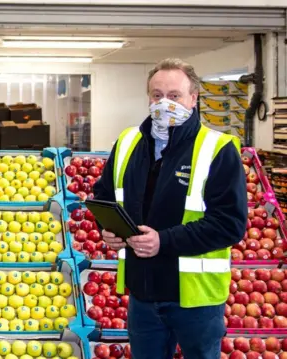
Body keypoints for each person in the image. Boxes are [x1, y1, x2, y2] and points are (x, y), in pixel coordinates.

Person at [93, 58, 247, 359]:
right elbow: (104, 195)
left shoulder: (218, 148)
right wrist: (107, 228)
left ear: (194, 98)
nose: (164, 103)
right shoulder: (127, 142)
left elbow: (230, 223)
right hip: (143, 294)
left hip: (195, 301)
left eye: (174, 96)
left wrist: (163, 241)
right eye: (156, 95)